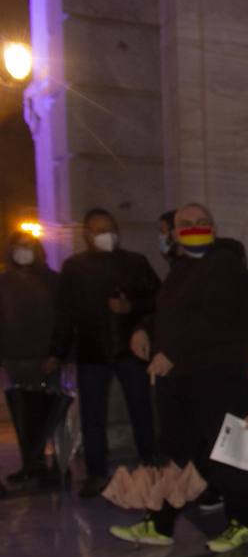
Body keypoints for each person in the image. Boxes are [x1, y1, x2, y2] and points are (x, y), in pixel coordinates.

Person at [109, 203, 248, 552]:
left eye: (202, 222)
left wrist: (172, 353)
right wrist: (144, 329)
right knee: (174, 454)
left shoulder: (225, 265)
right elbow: (171, 313)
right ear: (174, 232)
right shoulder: (182, 266)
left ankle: (242, 523)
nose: (195, 228)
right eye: (186, 224)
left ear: (214, 227)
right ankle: (159, 524)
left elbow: (220, 319)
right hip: (182, 383)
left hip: (220, 379)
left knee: (226, 453)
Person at [47, 208, 159, 496]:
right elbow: (64, 314)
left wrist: (131, 309)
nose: (106, 234)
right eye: (99, 230)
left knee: (141, 409)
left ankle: (150, 462)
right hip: (92, 351)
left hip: (129, 350)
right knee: (93, 415)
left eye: (110, 228)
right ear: (86, 234)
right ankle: (96, 473)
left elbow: (156, 300)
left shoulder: (135, 263)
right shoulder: (74, 268)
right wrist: (57, 352)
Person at [1, 234, 61, 489]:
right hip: (15, 358)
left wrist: (57, 354)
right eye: (18, 247)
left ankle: (58, 465)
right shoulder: (3, 282)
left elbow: (63, 320)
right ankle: (31, 464)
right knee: (24, 415)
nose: (23, 252)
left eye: (28, 247)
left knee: (51, 414)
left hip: (46, 358)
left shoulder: (52, 281)